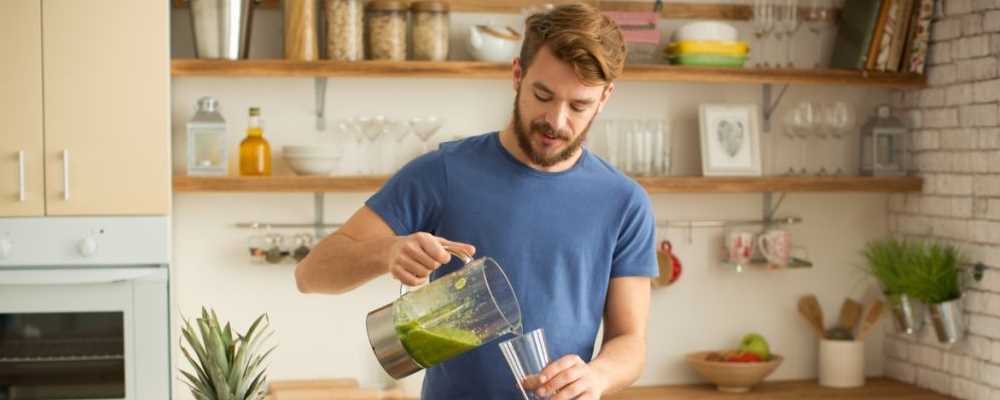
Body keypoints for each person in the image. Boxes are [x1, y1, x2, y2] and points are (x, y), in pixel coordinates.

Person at [295, 4, 657, 399]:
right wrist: (387, 252)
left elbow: (630, 341)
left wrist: (598, 376)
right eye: (543, 95)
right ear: (517, 75)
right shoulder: (442, 173)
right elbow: (311, 274)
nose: (556, 120)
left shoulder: (623, 202)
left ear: (605, 97)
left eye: (579, 106)